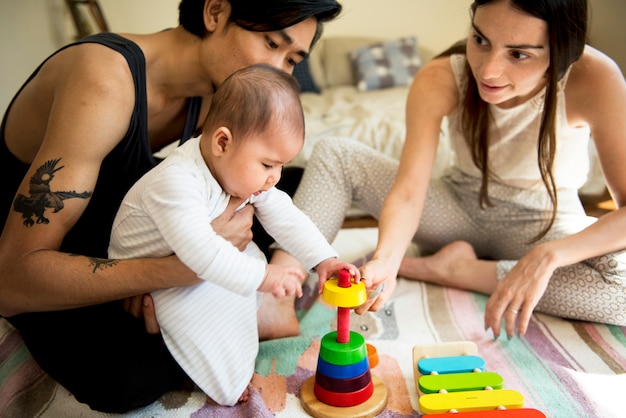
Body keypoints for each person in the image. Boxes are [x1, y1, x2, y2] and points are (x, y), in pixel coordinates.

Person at [0, 0, 342, 412]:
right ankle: (246, 295)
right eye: (272, 44)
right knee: (127, 378)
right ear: (214, 12)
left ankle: (261, 300)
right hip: (43, 253)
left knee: (287, 183)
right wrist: (173, 272)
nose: (278, 71)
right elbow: (9, 283)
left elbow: (243, 196)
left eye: (292, 60)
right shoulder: (103, 80)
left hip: (137, 222)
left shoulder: (214, 99)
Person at [272, 0, 626, 340]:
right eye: (480, 40)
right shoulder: (442, 76)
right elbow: (410, 190)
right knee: (337, 153)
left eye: (518, 54)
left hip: (543, 224)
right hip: (457, 209)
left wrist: (549, 256)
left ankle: (460, 270)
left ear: (563, 49)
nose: (488, 70)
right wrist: (387, 260)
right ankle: (276, 296)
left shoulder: (596, 78)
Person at [108, 64, 361, 406]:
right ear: (222, 142)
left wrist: (323, 258)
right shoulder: (176, 182)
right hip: (153, 280)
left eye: (282, 165)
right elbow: (201, 253)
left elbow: (285, 215)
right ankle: (222, 380)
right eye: (268, 165)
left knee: (248, 262)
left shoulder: (234, 166)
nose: (275, 177)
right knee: (208, 311)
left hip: (193, 259)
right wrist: (264, 277)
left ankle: (258, 314)